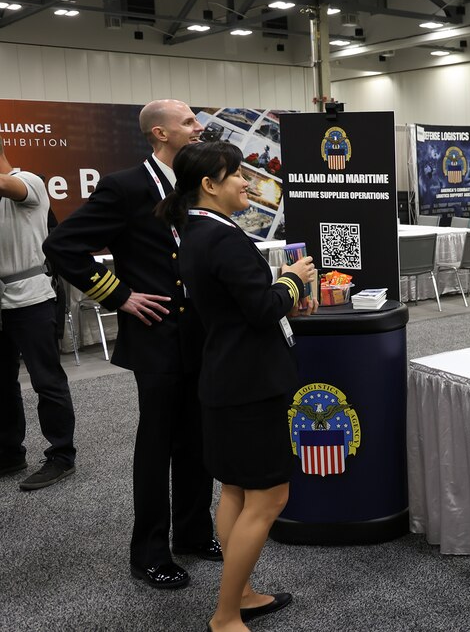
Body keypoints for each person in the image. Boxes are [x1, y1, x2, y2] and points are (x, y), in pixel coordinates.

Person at [44, 99, 217, 590]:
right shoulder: (126, 186)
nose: (199, 126)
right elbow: (61, 246)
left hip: (198, 337)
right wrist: (119, 295)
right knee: (157, 444)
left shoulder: (192, 184)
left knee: (196, 441)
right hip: (157, 337)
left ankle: (193, 532)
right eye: (188, 121)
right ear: (160, 134)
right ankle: (149, 551)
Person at [156, 140, 314, 632]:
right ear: (209, 185)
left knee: (237, 493)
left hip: (226, 379)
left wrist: (280, 296)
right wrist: (292, 281)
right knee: (268, 498)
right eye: (237, 175)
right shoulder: (220, 238)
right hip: (249, 384)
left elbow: (237, 305)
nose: (249, 182)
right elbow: (260, 309)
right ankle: (225, 615)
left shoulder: (198, 233)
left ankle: (239, 593)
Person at [0, 139, 77, 490]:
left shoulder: (29, 181)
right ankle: (9, 453)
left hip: (32, 299)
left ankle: (61, 455)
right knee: (2, 384)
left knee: (46, 380)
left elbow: (6, 185)